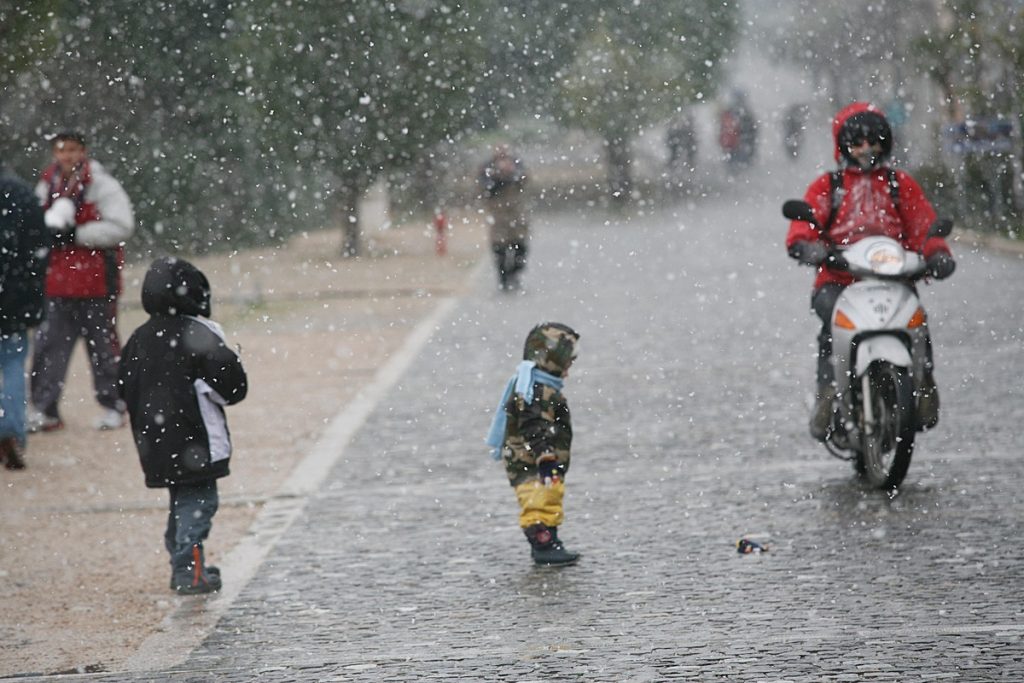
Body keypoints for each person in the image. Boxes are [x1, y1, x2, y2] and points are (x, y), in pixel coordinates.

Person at [785, 102, 955, 441]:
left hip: (894, 279)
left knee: (916, 323)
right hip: (839, 282)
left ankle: (922, 382)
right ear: (843, 146)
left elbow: (923, 224)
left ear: (886, 143)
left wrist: (936, 252)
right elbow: (805, 224)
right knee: (832, 326)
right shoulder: (828, 187)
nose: (866, 149)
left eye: (874, 141)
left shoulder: (900, 184)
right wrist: (807, 245)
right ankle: (829, 392)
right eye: (857, 142)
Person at [119, 256, 248, 594]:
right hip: (196, 439)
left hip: (155, 440)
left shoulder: (139, 338)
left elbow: (123, 387)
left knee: (181, 502)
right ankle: (189, 571)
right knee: (198, 503)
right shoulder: (199, 336)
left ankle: (186, 562)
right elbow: (231, 388)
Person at [28, 131, 135, 432]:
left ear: (83, 151)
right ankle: (44, 408)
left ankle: (114, 404)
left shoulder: (102, 186)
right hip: (57, 282)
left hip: (97, 283)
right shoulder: (46, 184)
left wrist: (78, 234)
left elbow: (121, 226)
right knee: (49, 349)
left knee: (104, 348)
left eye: (73, 150)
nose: (67, 156)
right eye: (61, 150)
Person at [485, 322, 580, 566]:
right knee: (537, 500)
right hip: (530, 461)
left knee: (550, 496)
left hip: (539, 460)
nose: (568, 371)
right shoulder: (535, 390)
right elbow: (533, 426)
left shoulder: (540, 385)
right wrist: (545, 456)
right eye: (566, 364)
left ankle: (551, 540)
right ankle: (543, 544)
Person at [0, 162, 50, 469]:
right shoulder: (21, 193)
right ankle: (12, 431)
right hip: (16, 297)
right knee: (14, 363)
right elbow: (41, 247)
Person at [478, 145, 529, 291]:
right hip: (498, 215)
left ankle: (515, 273)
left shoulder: (517, 165)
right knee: (499, 248)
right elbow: (486, 187)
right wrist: (498, 176)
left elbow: (524, 180)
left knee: (521, 246)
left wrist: (512, 173)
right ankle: (503, 279)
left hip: (517, 213)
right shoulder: (487, 168)